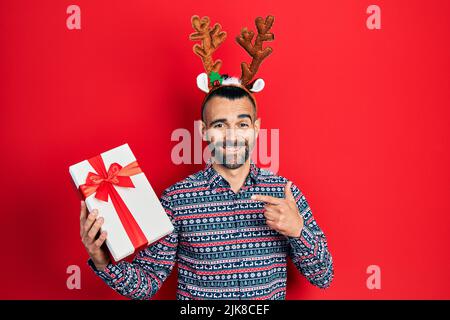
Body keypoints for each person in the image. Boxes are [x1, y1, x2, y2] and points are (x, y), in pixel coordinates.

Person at [79, 15, 334, 300]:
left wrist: (298, 231)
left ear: (256, 129)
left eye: (242, 124)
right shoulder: (176, 201)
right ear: (204, 132)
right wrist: (102, 261)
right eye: (220, 125)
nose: (232, 135)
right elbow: (147, 284)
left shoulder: (284, 195)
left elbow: (324, 275)